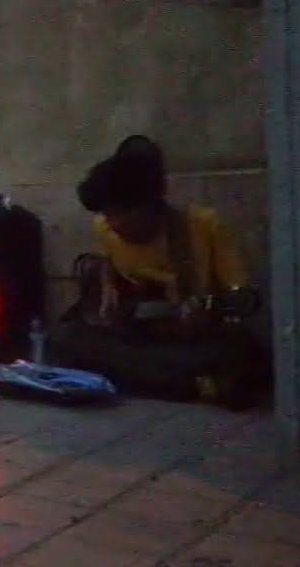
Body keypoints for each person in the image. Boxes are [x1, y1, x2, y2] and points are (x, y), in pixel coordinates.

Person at [51, 139, 268, 409]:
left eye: (117, 214)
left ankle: (150, 382)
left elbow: (241, 294)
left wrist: (207, 313)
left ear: (145, 207)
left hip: (185, 342)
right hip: (135, 340)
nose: (110, 224)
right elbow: (106, 263)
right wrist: (108, 292)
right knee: (65, 338)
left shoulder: (202, 226)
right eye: (106, 215)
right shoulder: (105, 230)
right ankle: (194, 387)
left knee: (242, 350)